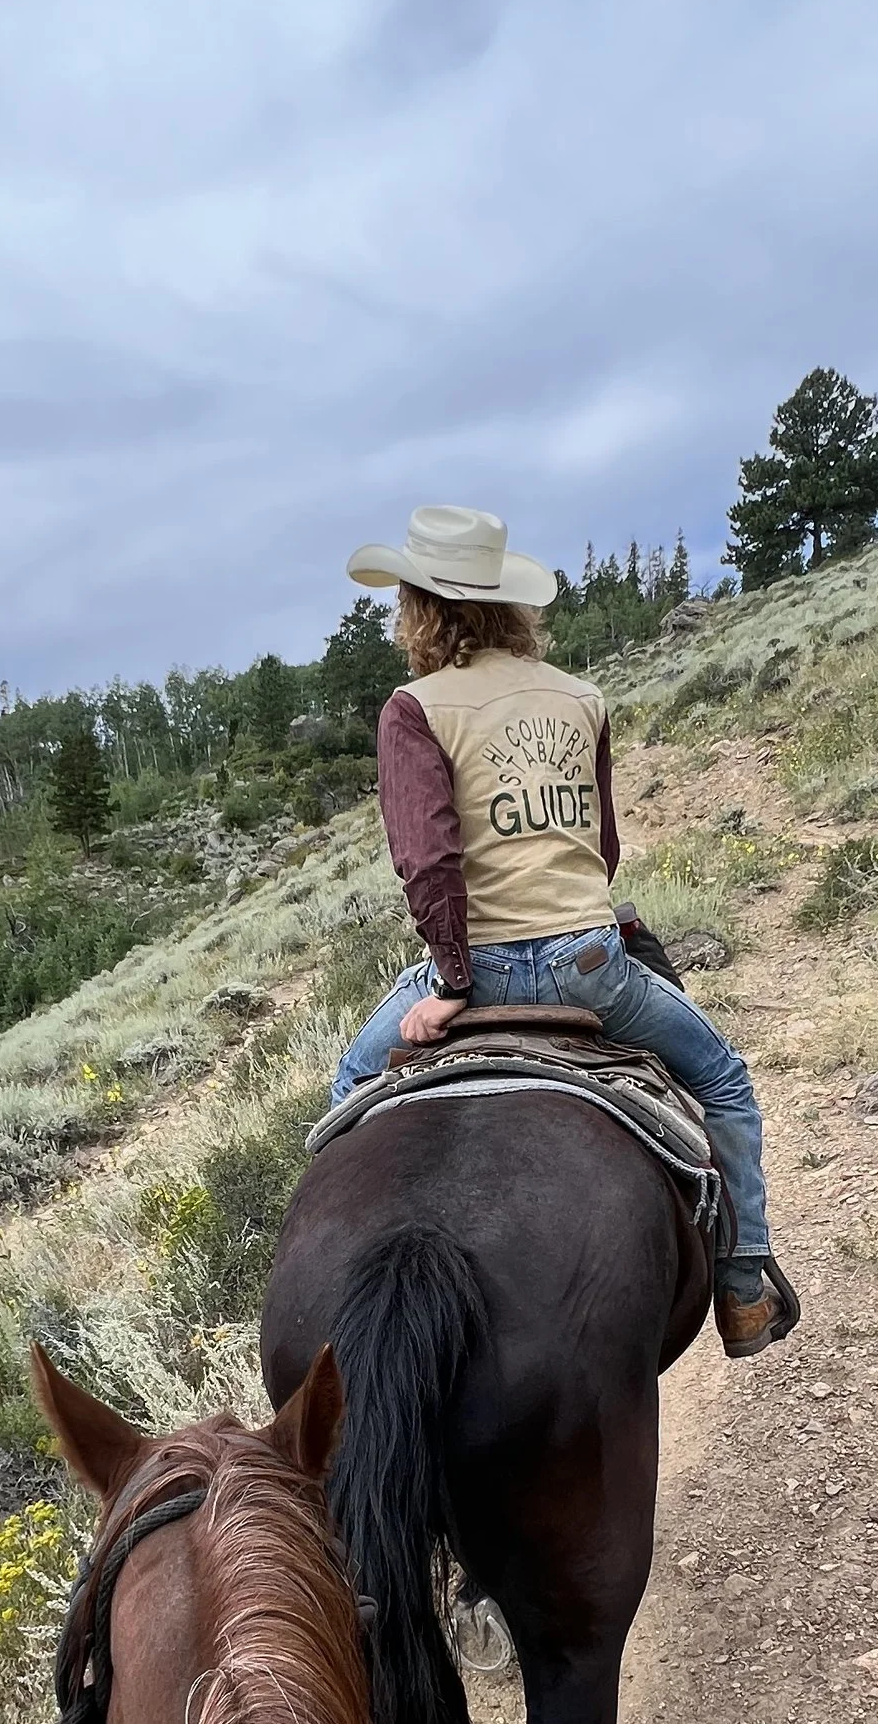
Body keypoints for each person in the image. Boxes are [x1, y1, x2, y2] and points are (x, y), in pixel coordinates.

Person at [331, 503, 783, 1357]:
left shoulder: (414, 708)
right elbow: (600, 849)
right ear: (506, 601)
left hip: (481, 974)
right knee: (722, 1080)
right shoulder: (582, 698)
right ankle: (743, 1286)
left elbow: (428, 862)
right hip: (592, 967)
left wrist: (453, 984)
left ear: (420, 608)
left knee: (354, 1078)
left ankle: (341, 1329)